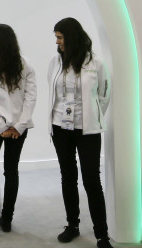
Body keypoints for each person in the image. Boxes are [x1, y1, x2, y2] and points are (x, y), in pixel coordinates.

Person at [48, 17, 113, 248]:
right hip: (60, 127)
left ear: (72, 37)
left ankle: (101, 234)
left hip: (87, 131)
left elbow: (104, 94)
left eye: (60, 37)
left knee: (92, 180)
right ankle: (72, 225)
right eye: (56, 37)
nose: (57, 42)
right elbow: (53, 93)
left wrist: (92, 116)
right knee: (68, 177)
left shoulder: (96, 63)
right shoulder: (55, 62)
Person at [0, 23, 37, 234]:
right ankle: (6, 219)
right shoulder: (25, 64)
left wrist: (0, 125)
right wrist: (18, 126)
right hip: (17, 129)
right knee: (11, 171)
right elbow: (31, 98)